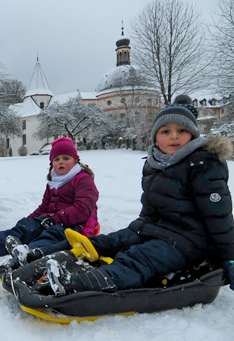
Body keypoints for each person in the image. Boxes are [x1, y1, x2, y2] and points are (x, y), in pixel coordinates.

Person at [40, 95, 234, 296]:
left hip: (189, 240)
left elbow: (219, 216)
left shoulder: (204, 164)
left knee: (139, 257)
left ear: (193, 135)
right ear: (155, 138)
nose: (174, 136)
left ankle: (80, 285)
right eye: (166, 131)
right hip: (155, 228)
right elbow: (150, 209)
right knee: (110, 242)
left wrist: (230, 256)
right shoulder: (155, 164)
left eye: (182, 131)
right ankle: (43, 257)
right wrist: (137, 231)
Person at [0, 137, 99, 259]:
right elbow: (44, 206)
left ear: (76, 160)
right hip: (50, 218)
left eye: (66, 158)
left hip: (72, 225)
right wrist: (29, 220)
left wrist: (55, 220)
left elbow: (83, 209)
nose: (61, 162)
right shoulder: (53, 182)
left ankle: (29, 254)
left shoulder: (83, 180)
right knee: (25, 228)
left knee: (52, 235)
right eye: (56, 159)